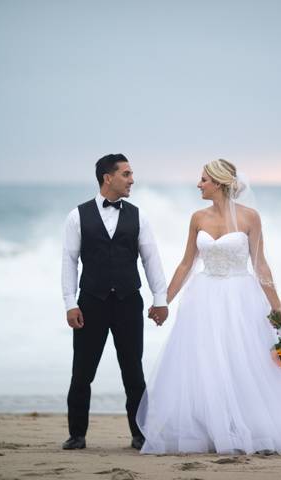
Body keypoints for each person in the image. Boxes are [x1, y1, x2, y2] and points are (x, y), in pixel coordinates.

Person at [136, 159, 281, 454]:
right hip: (204, 297)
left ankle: (245, 425)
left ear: (218, 183)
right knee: (206, 362)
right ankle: (212, 427)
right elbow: (185, 263)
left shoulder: (250, 218)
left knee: (241, 361)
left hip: (240, 297)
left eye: (203, 179)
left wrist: (277, 306)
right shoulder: (197, 218)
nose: (198, 184)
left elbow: (260, 264)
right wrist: (162, 300)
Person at [61, 153, 168, 451]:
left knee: (133, 369)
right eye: (126, 174)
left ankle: (140, 433)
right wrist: (70, 303)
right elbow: (69, 262)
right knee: (82, 370)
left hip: (128, 301)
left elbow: (151, 260)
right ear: (108, 177)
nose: (132, 179)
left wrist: (160, 299)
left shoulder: (139, 216)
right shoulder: (77, 216)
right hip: (90, 303)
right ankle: (77, 434)